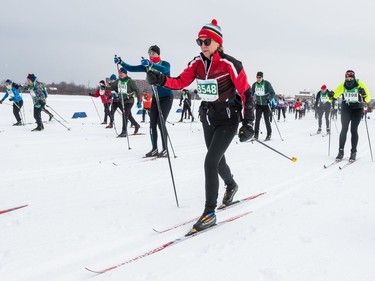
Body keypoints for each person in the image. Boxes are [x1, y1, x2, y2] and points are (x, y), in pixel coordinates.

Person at [146, 19, 254, 234]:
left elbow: (246, 93)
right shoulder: (196, 63)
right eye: (199, 41)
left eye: (206, 41)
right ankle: (231, 185)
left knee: (210, 161)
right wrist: (161, 79)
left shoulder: (230, 64)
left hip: (228, 119)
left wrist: (248, 122)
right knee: (217, 160)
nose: (203, 45)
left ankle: (209, 212)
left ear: (217, 42)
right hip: (209, 118)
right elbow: (179, 81)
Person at [114, 45, 173, 157]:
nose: (150, 55)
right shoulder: (146, 66)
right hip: (155, 98)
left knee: (161, 124)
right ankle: (154, 148)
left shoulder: (165, 64)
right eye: (149, 53)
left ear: (158, 54)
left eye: (152, 53)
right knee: (152, 125)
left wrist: (151, 64)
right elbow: (131, 68)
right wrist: (121, 62)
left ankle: (165, 149)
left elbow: (165, 70)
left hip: (166, 98)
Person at [329, 70, 371, 161]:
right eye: (348, 77)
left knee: (353, 130)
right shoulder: (343, 85)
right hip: (346, 109)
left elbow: (367, 99)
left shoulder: (360, 84)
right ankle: (340, 152)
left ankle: (353, 152)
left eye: (351, 77)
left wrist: (363, 94)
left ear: (354, 77)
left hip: (357, 109)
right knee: (344, 129)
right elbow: (333, 97)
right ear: (345, 77)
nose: (349, 79)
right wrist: (331, 96)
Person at [106, 67, 141, 137]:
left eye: (122, 73)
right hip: (122, 101)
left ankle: (124, 131)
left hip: (129, 101)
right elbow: (112, 88)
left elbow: (137, 90)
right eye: (120, 73)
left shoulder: (130, 81)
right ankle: (136, 125)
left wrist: (139, 100)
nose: (120, 74)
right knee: (129, 115)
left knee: (125, 114)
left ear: (125, 73)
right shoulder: (118, 81)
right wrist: (104, 87)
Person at [251, 71, 275, 140]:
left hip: (266, 105)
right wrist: (250, 100)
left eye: (260, 77)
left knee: (266, 120)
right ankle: (256, 135)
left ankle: (269, 134)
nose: (258, 79)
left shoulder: (267, 84)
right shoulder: (254, 85)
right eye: (257, 77)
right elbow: (251, 93)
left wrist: (269, 99)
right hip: (258, 105)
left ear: (262, 77)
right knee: (257, 120)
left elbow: (272, 93)